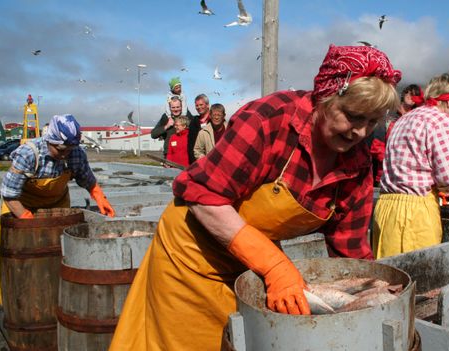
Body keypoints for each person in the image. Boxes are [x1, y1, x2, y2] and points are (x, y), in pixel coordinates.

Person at [109, 44, 401, 350]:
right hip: (191, 255)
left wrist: (366, 299)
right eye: (353, 116)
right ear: (325, 98)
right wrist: (274, 266)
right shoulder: (270, 120)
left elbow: (349, 248)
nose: (359, 132)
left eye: (372, 122)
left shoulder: (356, 163)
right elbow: (203, 196)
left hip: (251, 265)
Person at [0, 114, 115, 305]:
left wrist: (99, 196)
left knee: (59, 256)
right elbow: (9, 193)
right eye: (61, 149)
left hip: (56, 206)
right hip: (21, 206)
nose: (65, 154)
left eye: (70, 149)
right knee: (22, 261)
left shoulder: (75, 154)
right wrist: (26, 219)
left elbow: (86, 178)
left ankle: (59, 300)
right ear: (50, 140)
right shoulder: (28, 154)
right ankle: (15, 303)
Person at [373, 72, 449, 258]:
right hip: (414, 215)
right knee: (416, 278)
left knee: (386, 277)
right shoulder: (442, 122)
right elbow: (448, 178)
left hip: (385, 208)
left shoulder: (404, 119)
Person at [151, 96, 199, 161]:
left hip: (186, 154)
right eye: (173, 107)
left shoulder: (187, 115)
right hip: (169, 155)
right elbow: (153, 134)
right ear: (169, 108)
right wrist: (166, 126)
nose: (176, 109)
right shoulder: (166, 117)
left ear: (182, 107)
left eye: (178, 107)